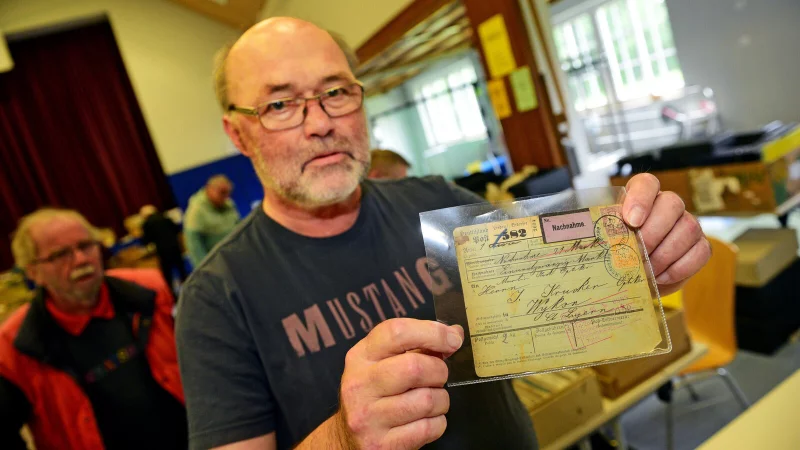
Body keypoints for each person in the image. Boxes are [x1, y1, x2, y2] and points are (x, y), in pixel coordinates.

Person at [176, 17, 711, 450]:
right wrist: (342, 437)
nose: (320, 122)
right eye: (279, 104)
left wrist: (642, 259)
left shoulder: (439, 201)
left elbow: (575, 294)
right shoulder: (216, 299)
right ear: (238, 133)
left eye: (336, 91)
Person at [1, 208, 187, 450]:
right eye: (60, 254)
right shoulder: (15, 345)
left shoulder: (149, 291)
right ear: (32, 272)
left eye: (86, 245)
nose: (80, 260)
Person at [183, 174, 240, 267]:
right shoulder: (197, 210)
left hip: (236, 257)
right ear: (209, 189)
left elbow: (239, 227)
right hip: (216, 263)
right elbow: (193, 244)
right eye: (222, 192)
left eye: (228, 193)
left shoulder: (229, 204)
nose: (226, 197)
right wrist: (204, 268)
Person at [140, 205, 188, 287]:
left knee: (168, 274)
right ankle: (188, 286)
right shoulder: (165, 218)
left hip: (163, 251)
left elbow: (146, 240)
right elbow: (177, 230)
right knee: (182, 270)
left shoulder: (147, 224)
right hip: (175, 247)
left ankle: (172, 294)